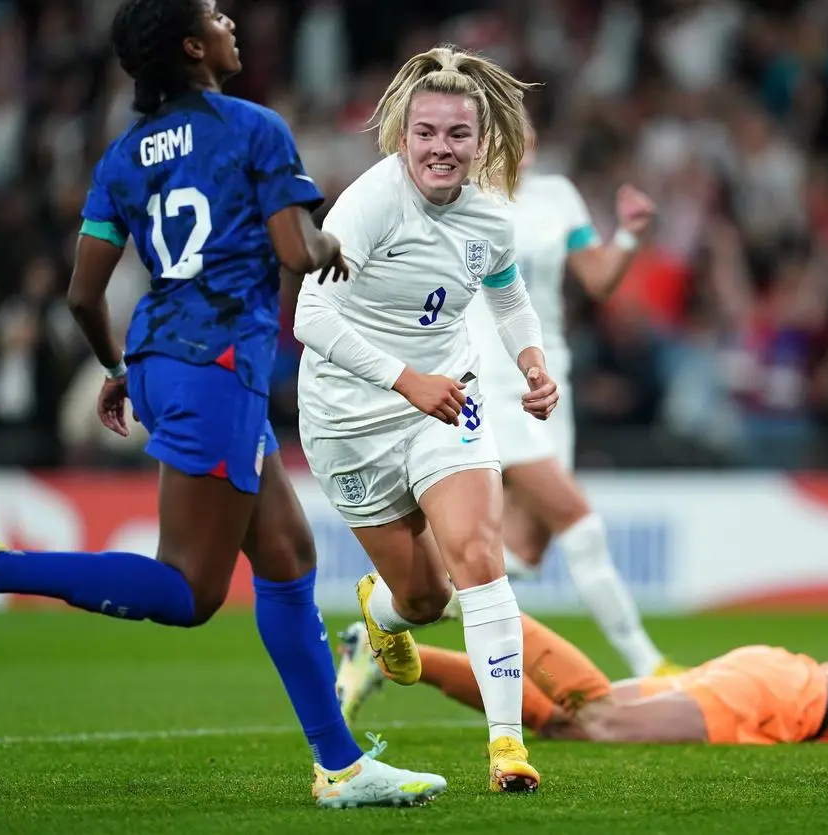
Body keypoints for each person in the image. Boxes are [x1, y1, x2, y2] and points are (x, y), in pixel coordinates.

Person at [0, 0, 445, 809]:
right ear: (194, 47)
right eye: (215, 14)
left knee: (287, 556)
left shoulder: (124, 156)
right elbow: (296, 248)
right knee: (191, 591)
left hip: (162, 361)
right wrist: (331, 242)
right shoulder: (253, 127)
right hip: (217, 366)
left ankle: (340, 767)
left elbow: (82, 295)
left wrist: (119, 366)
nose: (231, 19)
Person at [292, 45, 551, 794]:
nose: (441, 148)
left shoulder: (491, 218)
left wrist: (532, 361)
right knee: (425, 599)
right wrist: (407, 382)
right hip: (349, 417)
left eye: (457, 134)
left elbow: (506, 295)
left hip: (446, 400)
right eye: (426, 132)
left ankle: (507, 748)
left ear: (480, 139)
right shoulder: (371, 203)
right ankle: (381, 614)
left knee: (478, 554)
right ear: (403, 136)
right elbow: (310, 315)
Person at [461, 118, 678, 678]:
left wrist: (628, 234)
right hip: (494, 385)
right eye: (514, 130)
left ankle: (384, 616)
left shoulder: (558, 195)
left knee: (523, 553)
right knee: (580, 523)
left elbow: (599, 279)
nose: (529, 139)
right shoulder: (462, 200)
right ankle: (649, 665)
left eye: (532, 130)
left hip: (553, 379)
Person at [334, 612, 828, 747]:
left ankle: (388, 652)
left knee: (555, 722)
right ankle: (473, 590)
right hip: (784, 697)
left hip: (768, 671)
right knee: (598, 715)